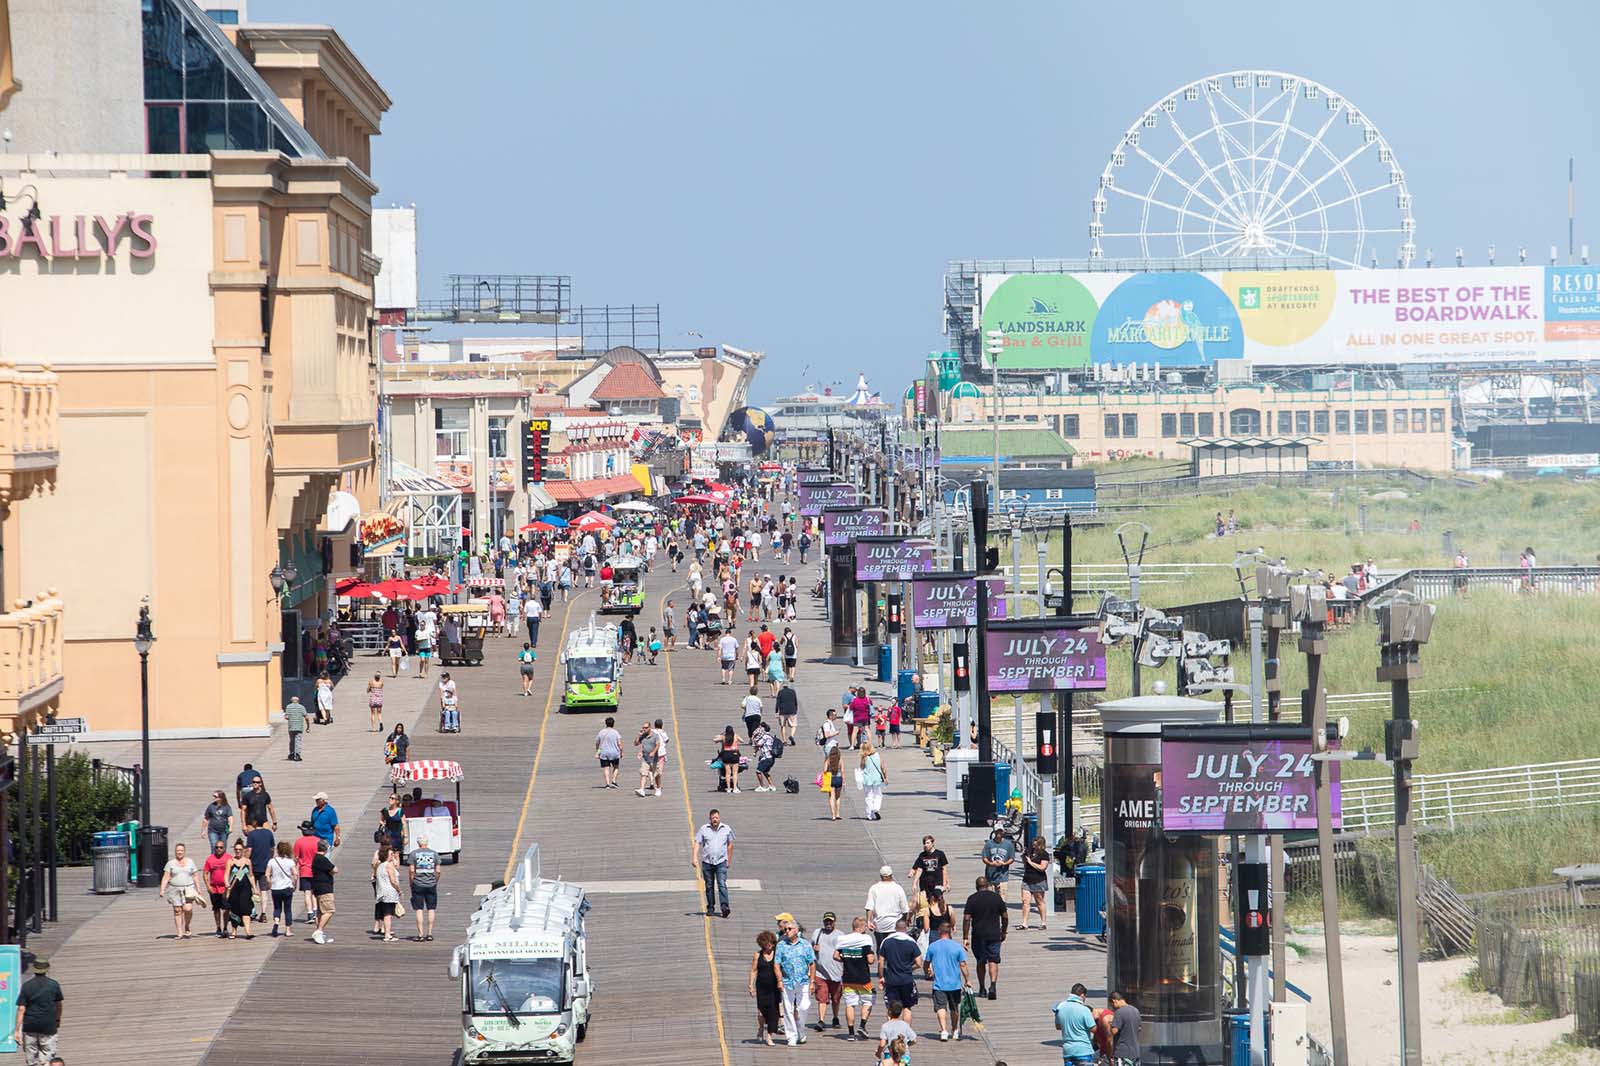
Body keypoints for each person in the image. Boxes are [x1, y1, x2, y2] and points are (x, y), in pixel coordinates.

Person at [773, 914, 816, 1046]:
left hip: (803, 981)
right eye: (785, 929)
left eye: (790, 929)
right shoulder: (781, 945)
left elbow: (812, 963)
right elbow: (777, 964)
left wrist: (813, 981)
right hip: (787, 981)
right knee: (788, 1009)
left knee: (804, 1007)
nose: (787, 931)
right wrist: (779, 980)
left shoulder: (805, 945)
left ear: (796, 930)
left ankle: (800, 1029)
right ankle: (791, 1036)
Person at [962, 876, 1008, 1000]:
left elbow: (967, 919)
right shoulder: (996, 897)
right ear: (987, 885)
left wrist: (965, 937)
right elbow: (1005, 916)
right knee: (993, 960)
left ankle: (982, 988)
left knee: (981, 961)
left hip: (978, 935)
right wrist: (1004, 931)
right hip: (994, 934)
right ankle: (993, 985)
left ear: (977, 887)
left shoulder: (972, 899)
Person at [833, 915, 877, 1040]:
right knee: (868, 1001)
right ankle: (862, 1025)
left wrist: (847, 959)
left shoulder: (842, 939)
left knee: (850, 1004)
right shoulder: (865, 939)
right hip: (863, 978)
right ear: (862, 927)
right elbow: (870, 960)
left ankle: (851, 1033)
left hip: (847, 978)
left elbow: (835, 956)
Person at [925, 921, 969, 1042]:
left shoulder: (933, 946)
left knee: (941, 1007)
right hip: (954, 984)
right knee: (954, 1008)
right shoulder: (957, 947)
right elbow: (963, 965)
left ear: (939, 932)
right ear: (950, 932)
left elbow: (926, 963)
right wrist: (967, 980)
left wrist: (927, 972)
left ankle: (944, 1030)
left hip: (939, 983)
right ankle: (955, 1030)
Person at [15, 958, 63, 1066]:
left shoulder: (27, 986)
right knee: (48, 1057)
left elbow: (21, 1009)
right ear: (47, 969)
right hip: (48, 1025)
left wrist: (17, 1030)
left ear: (34, 969)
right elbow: (59, 1005)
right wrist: (58, 1019)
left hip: (30, 1025)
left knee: (31, 1057)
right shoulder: (53, 985)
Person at [876, 917, 922, 1027]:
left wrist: (881, 976)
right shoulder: (911, 942)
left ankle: (891, 1031)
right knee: (907, 1007)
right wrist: (909, 968)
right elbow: (919, 963)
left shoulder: (886, 942)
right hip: (906, 979)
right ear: (906, 928)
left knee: (891, 1007)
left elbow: (881, 962)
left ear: (895, 928)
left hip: (891, 980)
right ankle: (906, 1032)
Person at [691, 808, 734, 918]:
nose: (715, 819)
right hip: (707, 862)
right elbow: (697, 843)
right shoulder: (704, 829)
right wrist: (694, 857)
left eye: (717, 817)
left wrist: (728, 859)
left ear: (719, 818)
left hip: (721, 861)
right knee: (709, 885)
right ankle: (710, 907)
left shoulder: (726, 829)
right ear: (710, 818)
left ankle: (725, 907)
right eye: (713, 818)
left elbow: (730, 844)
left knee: (722, 884)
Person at [157, 841, 200, 940]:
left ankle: (187, 925)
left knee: (187, 909)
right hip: (175, 888)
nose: (179, 852)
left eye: (181, 850)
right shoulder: (170, 863)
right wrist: (162, 890)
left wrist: (198, 889)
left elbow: (195, 876)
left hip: (188, 888)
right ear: (175, 852)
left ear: (184, 851)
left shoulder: (190, 862)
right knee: (177, 910)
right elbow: (166, 877)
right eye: (177, 851)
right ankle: (179, 932)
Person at [810, 911, 845, 1031]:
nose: (828, 923)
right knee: (822, 997)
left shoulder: (841, 935)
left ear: (835, 921)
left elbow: (845, 953)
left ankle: (835, 1017)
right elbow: (810, 950)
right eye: (826, 921)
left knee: (836, 998)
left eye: (830, 921)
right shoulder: (817, 933)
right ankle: (821, 1020)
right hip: (820, 972)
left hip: (836, 973)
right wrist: (813, 949)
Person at [748, 930, 783, 1046]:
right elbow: (753, 970)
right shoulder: (758, 955)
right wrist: (751, 986)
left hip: (774, 988)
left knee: (773, 1012)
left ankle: (769, 1036)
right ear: (762, 944)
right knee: (761, 1012)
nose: (769, 945)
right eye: (767, 944)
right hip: (762, 987)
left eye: (771, 943)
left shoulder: (777, 954)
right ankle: (761, 1027)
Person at [865, 865, 910, 951]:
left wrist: (868, 921)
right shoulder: (898, 888)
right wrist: (904, 921)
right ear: (891, 875)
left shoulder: (874, 888)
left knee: (881, 949)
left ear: (881, 876)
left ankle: (881, 963)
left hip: (879, 925)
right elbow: (905, 910)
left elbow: (869, 907)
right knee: (894, 950)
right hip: (894, 925)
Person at [1052, 983, 1098, 1066]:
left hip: (1068, 1050)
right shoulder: (1084, 1009)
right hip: (1083, 1050)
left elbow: (1058, 1026)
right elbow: (1093, 1029)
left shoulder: (1060, 1007)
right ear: (1082, 995)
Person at [410, 833, 441, 942]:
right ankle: (430, 933)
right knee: (431, 909)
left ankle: (421, 934)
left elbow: (412, 870)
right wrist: (435, 880)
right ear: (427, 842)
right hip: (431, 884)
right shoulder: (434, 854)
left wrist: (412, 882)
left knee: (419, 909)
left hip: (418, 883)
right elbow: (438, 871)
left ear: (418, 843)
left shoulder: (413, 854)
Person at [265, 840, 297, 938]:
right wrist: (294, 884)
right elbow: (295, 875)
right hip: (287, 888)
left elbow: (267, 874)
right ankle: (287, 930)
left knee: (277, 908)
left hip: (276, 888)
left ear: (277, 850)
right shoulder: (290, 862)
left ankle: (276, 922)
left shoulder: (272, 861)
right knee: (288, 909)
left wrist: (270, 884)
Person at [224, 839, 256, 939]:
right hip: (234, 890)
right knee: (234, 910)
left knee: (246, 909)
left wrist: (255, 888)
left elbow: (251, 875)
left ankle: (248, 931)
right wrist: (226, 883)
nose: (238, 851)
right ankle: (234, 931)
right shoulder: (230, 861)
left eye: (240, 849)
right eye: (236, 849)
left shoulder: (247, 861)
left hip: (245, 889)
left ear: (243, 850)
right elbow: (226, 874)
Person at [909, 836, 951, 909]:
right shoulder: (922, 855)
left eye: (928, 843)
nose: (926, 845)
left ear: (932, 843)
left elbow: (944, 869)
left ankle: (941, 914)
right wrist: (914, 883)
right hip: (925, 883)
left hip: (937, 882)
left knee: (938, 899)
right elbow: (919, 869)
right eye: (924, 843)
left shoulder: (940, 854)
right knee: (926, 902)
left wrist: (946, 883)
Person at [244, 820, 275, 920]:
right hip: (265, 865)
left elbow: (249, 850)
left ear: (254, 823)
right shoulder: (269, 833)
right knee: (264, 890)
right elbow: (272, 849)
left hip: (253, 865)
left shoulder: (251, 834)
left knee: (252, 889)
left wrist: (245, 860)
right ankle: (264, 913)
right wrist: (270, 859)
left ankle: (252, 912)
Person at [201, 840, 231, 937]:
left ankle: (226, 927)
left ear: (224, 848)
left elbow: (234, 871)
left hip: (225, 888)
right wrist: (208, 886)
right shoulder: (210, 859)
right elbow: (205, 873)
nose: (219, 849)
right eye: (217, 847)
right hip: (214, 888)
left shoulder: (229, 858)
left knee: (226, 908)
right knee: (216, 909)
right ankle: (218, 927)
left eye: (221, 847)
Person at [309, 839, 337, 944]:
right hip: (324, 888)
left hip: (318, 887)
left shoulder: (316, 858)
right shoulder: (322, 859)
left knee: (321, 912)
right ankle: (319, 931)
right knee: (329, 911)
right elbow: (335, 869)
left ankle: (320, 933)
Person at [1021, 836, 1051, 930]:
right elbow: (1025, 863)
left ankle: (1043, 923)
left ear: (1040, 845)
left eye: (1036, 845)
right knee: (1025, 901)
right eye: (1033, 844)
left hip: (1038, 880)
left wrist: (1030, 862)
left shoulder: (1044, 854)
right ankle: (1025, 923)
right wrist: (1024, 858)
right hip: (1027, 879)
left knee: (1039, 901)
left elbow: (1042, 867)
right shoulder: (1030, 852)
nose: (1034, 846)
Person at [293, 820, 321, 921]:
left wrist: (294, 872)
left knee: (307, 893)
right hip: (316, 870)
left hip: (304, 870)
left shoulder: (299, 842)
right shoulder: (318, 841)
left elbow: (295, 858)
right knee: (315, 893)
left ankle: (309, 914)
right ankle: (315, 911)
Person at [373, 843, 401, 942]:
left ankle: (386, 932)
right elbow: (393, 880)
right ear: (386, 855)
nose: (392, 856)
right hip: (389, 892)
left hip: (381, 892)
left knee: (385, 914)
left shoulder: (379, 865)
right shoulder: (388, 865)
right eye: (390, 854)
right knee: (388, 915)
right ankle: (387, 935)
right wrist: (399, 889)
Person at [981, 827, 1017, 901]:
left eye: (1000, 831)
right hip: (990, 877)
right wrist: (991, 863)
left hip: (1003, 876)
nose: (999, 833)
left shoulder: (1009, 844)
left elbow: (1012, 858)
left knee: (1002, 899)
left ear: (1003, 832)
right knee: (990, 900)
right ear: (994, 832)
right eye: (997, 831)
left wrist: (1004, 863)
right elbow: (984, 858)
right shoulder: (989, 844)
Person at [876, 999, 918, 1063]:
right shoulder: (905, 1025)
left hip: (890, 1055)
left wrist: (878, 1053)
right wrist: (905, 1045)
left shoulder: (886, 1026)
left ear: (889, 1012)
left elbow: (882, 1044)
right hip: (904, 1055)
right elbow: (914, 1040)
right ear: (901, 1013)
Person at [1108, 989, 1141, 1066]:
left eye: (1111, 1005)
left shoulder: (1119, 1012)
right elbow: (1139, 1028)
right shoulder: (1136, 1010)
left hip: (1122, 1053)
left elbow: (1114, 1031)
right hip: (1135, 1052)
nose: (1112, 1007)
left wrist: (1110, 1025)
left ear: (1114, 1001)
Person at [860, 740, 887, 821]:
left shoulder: (864, 757)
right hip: (877, 779)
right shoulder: (877, 755)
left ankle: (869, 815)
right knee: (878, 795)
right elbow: (883, 767)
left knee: (868, 796)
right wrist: (885, 777)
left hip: (867, 779)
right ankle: (876, 808)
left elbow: (861, 767)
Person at [635, 719, 661, 797]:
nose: (644, 729)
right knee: (644, 774)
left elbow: (658, 745)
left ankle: (658, 788)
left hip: (654, 759)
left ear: (650, 727)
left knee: (656, 775)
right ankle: (642, 790)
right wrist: (639, 735)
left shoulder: (655, 735)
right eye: (643, 727)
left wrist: (653, 752)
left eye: (646, 727)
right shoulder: (643, 736)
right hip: (645, 759)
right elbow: (636, 743)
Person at [595, 716, 623, 789]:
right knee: (616, 767)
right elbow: (619, 743)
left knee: (606, 768)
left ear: (606, 723)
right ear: (613, 724)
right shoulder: (615, 732)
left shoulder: (601, 732)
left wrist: (597, 749)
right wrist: (621, 751)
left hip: (604, 752)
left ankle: (607, 784)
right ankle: (613, 781)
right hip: (614, 752)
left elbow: (597, 742)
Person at [751, 720, 777, 792]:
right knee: (765, 772)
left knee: (758, 771)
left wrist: (754, 740)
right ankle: (772, 786)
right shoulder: (771, 737)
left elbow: (758, 744)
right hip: (771, 758)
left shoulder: (765, 737)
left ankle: (762, 786)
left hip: (766, 758)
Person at [715, 724, 742, 794]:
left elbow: (714, 739)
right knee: (735, 773)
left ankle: (729, 788)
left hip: (726, 755)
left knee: (728, 773)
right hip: (734, 754)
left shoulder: (724, 737)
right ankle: (735, 788)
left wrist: (721, 735)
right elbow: (742, 741)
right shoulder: (735, 736)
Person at [821, 744, 844, 820]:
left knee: (831, 797)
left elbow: (824, 771)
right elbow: (843, 771)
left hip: (830, 779)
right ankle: (838, 814)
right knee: (838, 797)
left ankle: (833, 815)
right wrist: (844, 782)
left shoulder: (828, 759)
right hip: (838, 778)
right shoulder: (840, 759)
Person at [282, 695, 308, 761]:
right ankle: (297, 755)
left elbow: (286, 717)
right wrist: (308, 726)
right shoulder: (302, 707)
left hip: (291, 727)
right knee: (298, 741)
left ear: (291, 701)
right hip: (299, 727)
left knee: (292, 741)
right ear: (298, 701)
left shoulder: (288, 707)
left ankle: (292, 754)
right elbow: (306, 717)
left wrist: (290, 718)